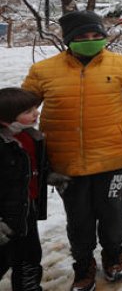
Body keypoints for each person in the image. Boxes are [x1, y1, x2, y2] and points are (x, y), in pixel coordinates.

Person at [22, 11, 122, 290]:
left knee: (113, 212)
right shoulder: (43, 70)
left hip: (114, 157)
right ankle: (83, 265)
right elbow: (22, 107)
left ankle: (113, 256)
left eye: (96, 36)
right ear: (69, 39)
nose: (90, 41)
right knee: (78, 217)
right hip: (66, 161)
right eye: (82, 37)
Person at [0, 88, 53, 291]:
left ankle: (29, 286)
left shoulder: (31, 137)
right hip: (5, 216)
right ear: (7, 119)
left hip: (26, 208)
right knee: (7, 256)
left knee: (29, 255)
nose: (36, 113)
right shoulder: (3, 145)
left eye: (35, 108)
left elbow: (34, 168)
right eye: (28, 111)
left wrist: (49, 176)